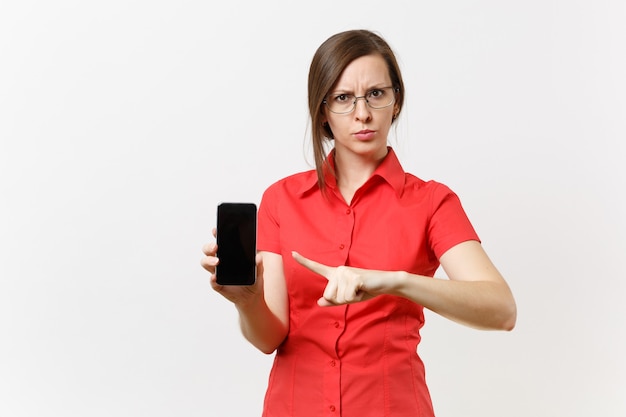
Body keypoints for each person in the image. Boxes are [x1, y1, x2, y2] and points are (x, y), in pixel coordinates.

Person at [201, 29, 517, 417]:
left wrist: (396, 281)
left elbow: (502, 310)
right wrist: (247, 302)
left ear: (395, 101)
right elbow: (270, 338)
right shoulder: (281, 200)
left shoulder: (432, 202)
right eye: (343, 98)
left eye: (376, 94)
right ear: (322, 111)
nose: (362, 113)